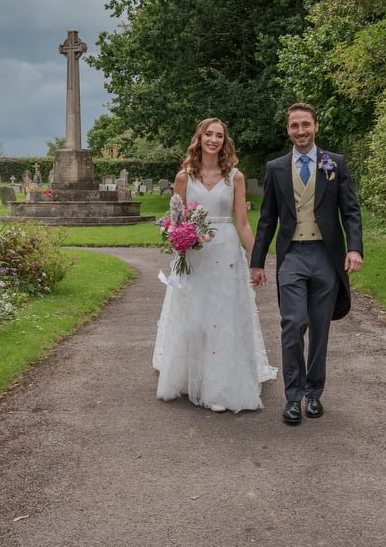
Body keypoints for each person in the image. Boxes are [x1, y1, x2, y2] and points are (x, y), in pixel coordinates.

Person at [249, 103, 363, 425]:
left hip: (326, 258)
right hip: (293, 257)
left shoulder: (334, 163)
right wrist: (257, 262)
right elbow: (267, 219)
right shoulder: (276, 168)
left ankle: (314, 393)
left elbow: (350, 211)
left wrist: (354, 248)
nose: (300, 132)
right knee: (293, 323)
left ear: (316, 126)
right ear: (288, 130)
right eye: (294, 126)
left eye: (305, 125)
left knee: (319, 329)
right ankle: (293, 397)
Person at [153, 118, 277, 412]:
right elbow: (177, 219)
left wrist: (257, 260)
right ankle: (189, 376)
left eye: (219, 135)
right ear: (199, 138)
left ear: (225, 141)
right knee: (193, 316)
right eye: (208, 134)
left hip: (226, 252)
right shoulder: (184, 177)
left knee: (223, 316)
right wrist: (178, 240)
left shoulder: (235, 177)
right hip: (194, 254)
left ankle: (220, 386)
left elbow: (244, 224)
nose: (213, 139)